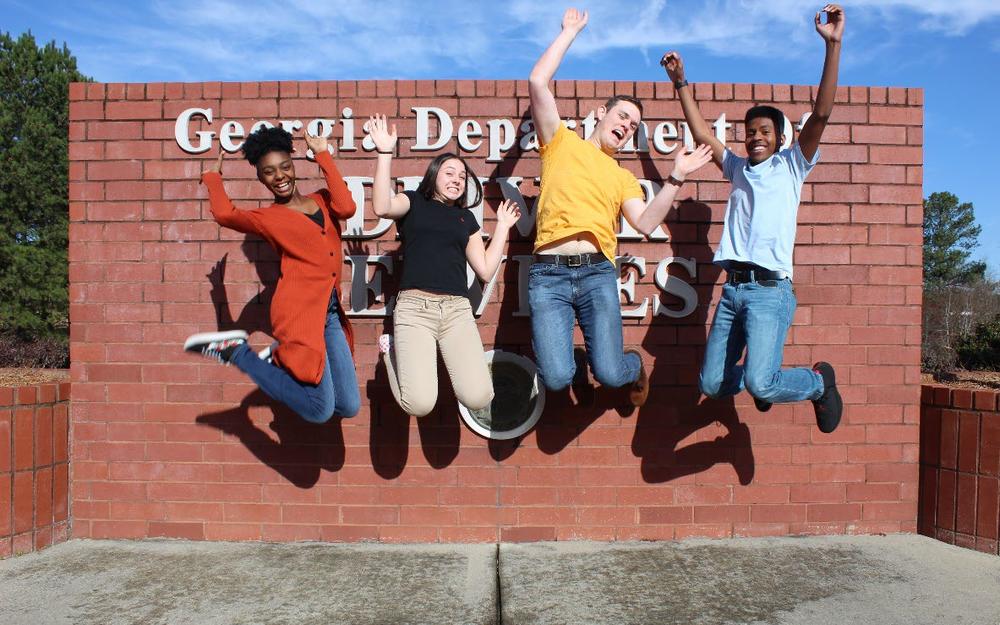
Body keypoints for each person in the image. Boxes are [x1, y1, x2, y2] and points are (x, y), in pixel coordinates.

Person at [661, 4, 846, 432]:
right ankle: (766, 382)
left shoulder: (793, 165)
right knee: (712, 381)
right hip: (732, 292)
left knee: (762, 383)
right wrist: (681, 84)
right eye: (750, 132)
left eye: (765, 132)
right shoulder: (736, 169)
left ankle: (815, 383)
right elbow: (704, 134)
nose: (755, 137)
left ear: (781, 138)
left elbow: (820, 114)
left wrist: (833, 46)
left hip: (768, 292)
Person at [528, 7, 713, 406]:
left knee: (612, 374)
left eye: (633, 126)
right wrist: (569, 32)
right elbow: (538, 81)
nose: (627, 127)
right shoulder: (560, 143)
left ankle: (632, 366)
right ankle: (571, 358)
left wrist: (676, 177)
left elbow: (646, 221)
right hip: (548, 276)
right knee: (558, 377)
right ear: (600, 114)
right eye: (623, 116)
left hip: (596, 274)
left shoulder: (622, 177)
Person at [183, 126, 361, 423]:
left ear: (293, 167)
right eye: (269, 172)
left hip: (329, 313)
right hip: (298, 314)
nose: (279, 177)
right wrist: (213, 178)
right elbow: (226, 214)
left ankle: (276, 361)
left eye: (285, 167)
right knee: (319, 411)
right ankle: (240, 354)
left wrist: (322, 154)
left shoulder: (322, 200)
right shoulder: (269, 218)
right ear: (261, 178)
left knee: (349, 405)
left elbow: (347, 206)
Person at [366, 114, 521, 416]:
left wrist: (502, 227)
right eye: (449, 173)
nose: (456, 180)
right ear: (434, 175)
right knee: (420, 405)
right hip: (414, 310)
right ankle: (391, 351)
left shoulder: (466, 220)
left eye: (462, 177)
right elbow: (382, 207)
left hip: (456, 312)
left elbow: (486, 270)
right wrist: (385, 152)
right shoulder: (413, 203)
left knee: (479, 397)